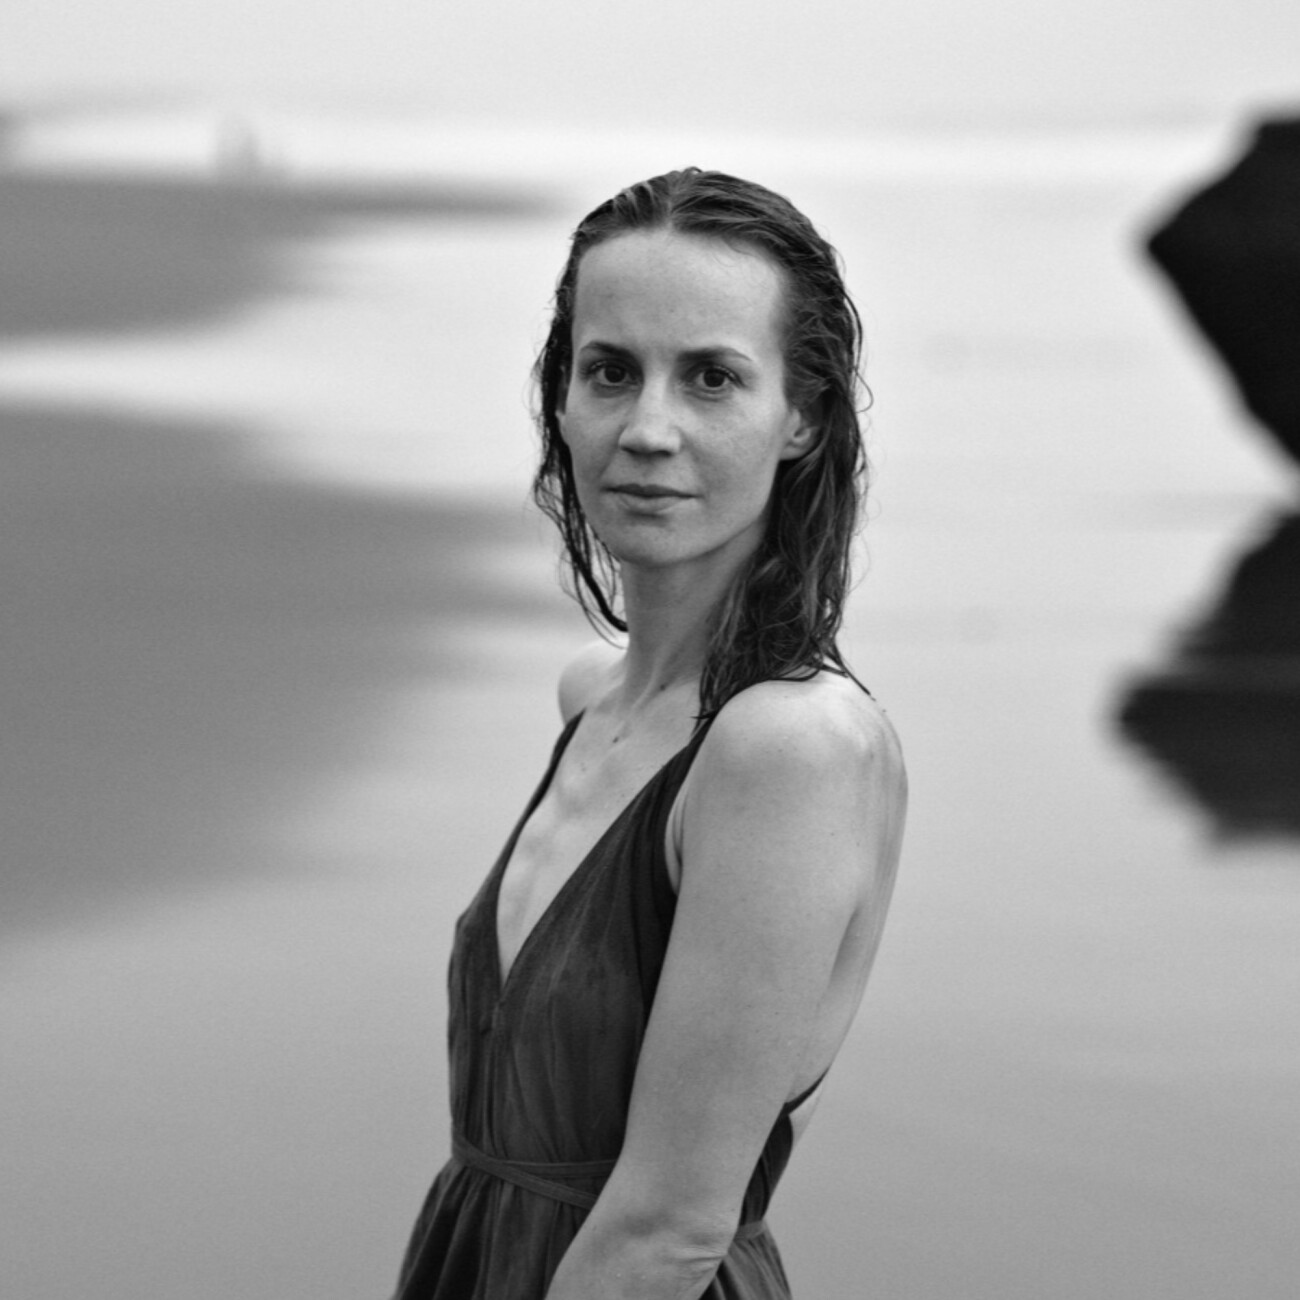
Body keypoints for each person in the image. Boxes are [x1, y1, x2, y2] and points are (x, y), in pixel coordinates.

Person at [392, 168, 907, 1300]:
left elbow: (668, 1232)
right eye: (610, 371)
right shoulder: (593, 699)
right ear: (560, 397)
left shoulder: (789, 749)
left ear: (803, 416)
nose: (648, 430)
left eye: (712, 377)